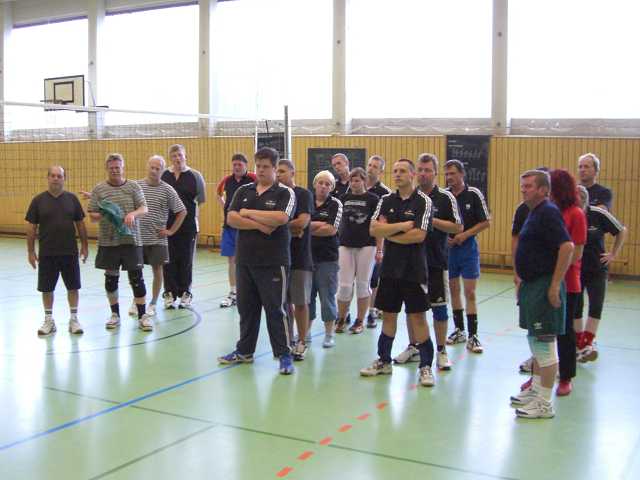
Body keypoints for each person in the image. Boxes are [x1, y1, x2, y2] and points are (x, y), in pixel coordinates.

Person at [218, 147, 297, 375]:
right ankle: (245, 351)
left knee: (276, 310)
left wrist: (247, 213)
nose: (261, 170)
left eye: (266, 167)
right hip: (245, 261)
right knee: (247, 309)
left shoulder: (285, 193)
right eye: (258, 166)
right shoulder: (243, 190)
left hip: (273, 262)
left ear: (275, 168)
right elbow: (231, 218)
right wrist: (260, 225)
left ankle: (284, 355)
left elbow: (281, 217)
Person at [360, 159, 436, 387]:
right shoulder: (385, 200)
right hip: (390, 269)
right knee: (389, 315)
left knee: (418, 318)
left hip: (414, 270)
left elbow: (419, 235)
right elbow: (374, 229)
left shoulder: (423, 201)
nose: (398, 174)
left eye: (402, 171)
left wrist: (389, 231)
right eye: (395, 171)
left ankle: (425, 367)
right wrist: (402, 227)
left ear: (412, 175)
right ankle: (384, 361)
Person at [511, 170, 574, 419]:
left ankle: (545, 403)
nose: (523, 189)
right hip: (532, 285)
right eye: (522, 185)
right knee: (535, 341)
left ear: (543, 190)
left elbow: (567, 247)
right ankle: (537, 391)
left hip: (543, 284)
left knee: (545, 345)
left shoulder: (548, 212)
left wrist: (554, 285)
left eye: (529, 186)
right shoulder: (533, 212)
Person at [394, 154, 463, 370]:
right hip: (411, 263)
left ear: (435, 173)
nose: (423, 174)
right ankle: (414, 346)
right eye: (421, 170)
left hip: (435, 262)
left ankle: (441, 351)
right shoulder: (409, 197)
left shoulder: (445, 197)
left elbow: (457, 227)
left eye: (428, 170)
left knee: (439, 309)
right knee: (413, 309)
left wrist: (429, 219)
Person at [87, 153, 152, 331]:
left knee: (136, 279)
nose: (115, 171)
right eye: (111, 168)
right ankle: (115, 315)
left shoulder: (133, 186)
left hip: (131, 240)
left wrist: (132, 214)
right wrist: (107, 214)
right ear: (106, 169)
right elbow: (92, 215)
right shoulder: (99, 189)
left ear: (123, 168)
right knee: (111, 279)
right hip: (109, 242)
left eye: (118, 167)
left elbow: (144, 208)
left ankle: (142, 315)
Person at [26, 166, 88, 336]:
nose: (55, 178)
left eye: (59, 176)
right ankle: (49, 320)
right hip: (47, 253)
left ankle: (74, 319)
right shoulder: (38, 200)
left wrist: (84, 246)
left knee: (73, 287)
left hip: (69, 252)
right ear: (48, 178)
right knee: (47, 289)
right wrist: (30, 251)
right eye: (52, 175)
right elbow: (31, 227)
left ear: (64, 179)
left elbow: (80, 224)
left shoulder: (72, 199)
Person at [128, 155, 186, 317]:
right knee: (135, 272)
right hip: (137, 238)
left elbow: (182, 211)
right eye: (152, 167)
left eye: (157, 168)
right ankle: (137, 300)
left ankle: (153, 303)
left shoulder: (167, 189)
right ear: (147, 167)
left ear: (163, 170)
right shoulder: (136, 186)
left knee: (158, 270)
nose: (154, 171)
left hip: (157, 239)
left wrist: (171, 231)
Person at [574, 186, 627, 362]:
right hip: (576, 269)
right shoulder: (569, 214)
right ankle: (579, 345)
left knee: (596, 304)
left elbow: (621, 230)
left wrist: (613, 254)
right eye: (575, 198)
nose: (578, 201)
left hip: (597, 268)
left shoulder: (597, 214)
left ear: (586, 200)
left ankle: (587, 342)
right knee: (576, 306)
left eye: (581, 198)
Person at [445, 160, 491, 353]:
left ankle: (473, 335)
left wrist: (464, 235)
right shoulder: (445, 195)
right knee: (453, 290)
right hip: (449, 250)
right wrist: (446, 237)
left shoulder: (473, 194)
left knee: (470, 292)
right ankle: (459, 330)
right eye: (447, 174)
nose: (449, 177)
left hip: (468, 248)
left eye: (453, 173)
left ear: (462, 174)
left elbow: (485, 222)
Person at [276, 159, 314, 360]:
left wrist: (278, 224)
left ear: (293, 172)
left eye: (282, 171)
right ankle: (288, 340)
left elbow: (303, 222)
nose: (278, 175)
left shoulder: (303, 194)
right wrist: (288, 226)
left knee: (300, 302)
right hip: (278, 257)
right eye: (277, 171)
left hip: (300, 257)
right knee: (283, 303)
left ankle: (302, 341)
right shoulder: (275, 195)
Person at [161, 144, 206, 309]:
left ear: (185, 156)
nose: (177, 158)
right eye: (174, 156)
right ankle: (169, 293)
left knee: (186, 261)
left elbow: (201, 200)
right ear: (170, 158)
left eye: (180, 155)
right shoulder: (164, 175)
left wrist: (191, 216)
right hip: (167, 226)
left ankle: (186, 293)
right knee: (168, 260)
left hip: (188, 227)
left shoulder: (195, 176)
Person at [336, 168, 380, 334]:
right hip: (345, 245)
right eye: (352, 180)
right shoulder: (343, 198)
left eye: (357, 180)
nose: (354, 183)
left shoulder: (373, 199)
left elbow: (378, 225)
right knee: (344, 286)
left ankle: (360, 320)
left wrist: (379, 249)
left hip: (367, 245)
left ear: (364, 181)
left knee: (363, 285)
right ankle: (341, 318)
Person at [216, 153, 256, 308]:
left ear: (246, 165)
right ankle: (233, 293)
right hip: (229, 227)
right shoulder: (227, 180)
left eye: (240, 164)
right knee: (231, 260)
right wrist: (225, 207)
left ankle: (250, 292)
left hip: (246, 227)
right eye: (234, 164)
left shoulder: (253, 179)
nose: (237, 167)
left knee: (248, 259)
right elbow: (218, 194)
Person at [309, 170, 343, 348]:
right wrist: (317, 225)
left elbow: (331, 229)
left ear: (332, 187)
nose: (323, 186)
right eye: (320, 183)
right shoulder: (306, 201)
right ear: (315, 184)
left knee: (327, 297)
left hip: (327, 259)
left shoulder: (335, 204)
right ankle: (305, 333)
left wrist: (308, 228)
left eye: (327, 184)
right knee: (307, 298)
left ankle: (329, 334)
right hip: (306, 258)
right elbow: (296, 225)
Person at [365, 155, 392, 327]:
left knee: (374, 278)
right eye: (369, 165)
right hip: (357, 240)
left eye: (375, 166)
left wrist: (380, 247)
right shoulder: (358, 186)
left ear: (381, 171)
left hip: (376, 241)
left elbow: (385, 221)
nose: (371, 168)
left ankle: (372, 310)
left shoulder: (385, 193)